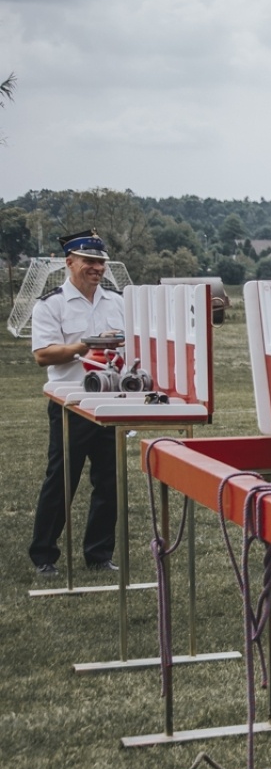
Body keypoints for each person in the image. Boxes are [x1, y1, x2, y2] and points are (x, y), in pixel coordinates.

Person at [29, 231, 124, 575]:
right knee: (62, 480)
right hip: (70, 401)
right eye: (89, 261)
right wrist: (85, 345)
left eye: (101, 262)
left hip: (109, 400)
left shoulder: (116, 301)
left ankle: (99, 554)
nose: (97, 268)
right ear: (69, 262)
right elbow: (43, 355)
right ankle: (44, 555)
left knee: (109, 481)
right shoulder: (51, 304)